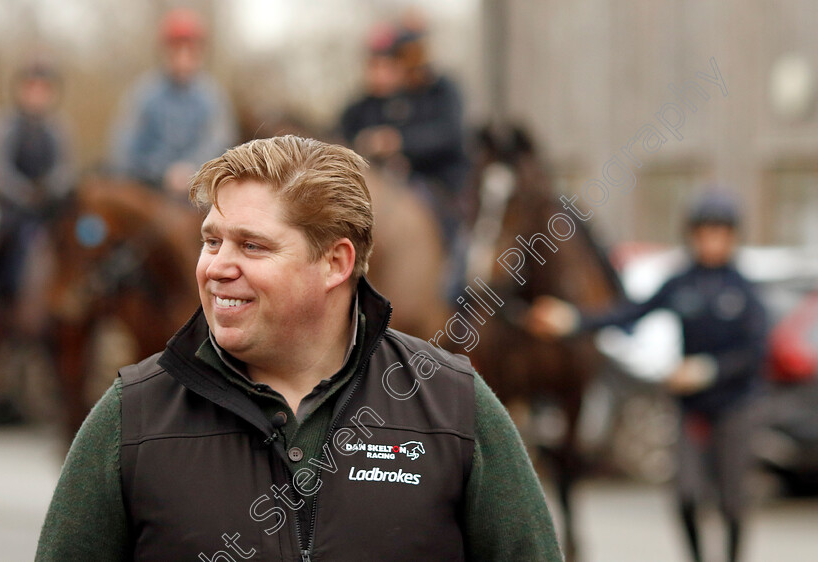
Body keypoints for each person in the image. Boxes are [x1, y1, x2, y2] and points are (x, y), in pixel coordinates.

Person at [36, 136, 562, 561]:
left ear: (335, 263)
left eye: (252, 245)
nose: (216, 266)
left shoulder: (455, 408)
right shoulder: (131, 417)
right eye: (211, 240)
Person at [528, 190, 766, 562]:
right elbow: (628, 314)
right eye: (704, 232)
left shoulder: (744, 289)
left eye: (719, 232)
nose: (711, 241)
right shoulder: (682, 283)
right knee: (686, 495)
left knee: (732, 500)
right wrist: (573, 319)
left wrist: (709, 370)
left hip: (735, 404)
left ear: (732, 237)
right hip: (691, 405)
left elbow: (754, 352)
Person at [109, 8, 236, 195]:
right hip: (149, 191)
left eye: (190, 49)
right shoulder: (144, 95)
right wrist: (162, 174)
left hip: (198, 192)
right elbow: (123, 148)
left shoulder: (212, 97)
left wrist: (191, 169)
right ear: (165, 51)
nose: (183, 57)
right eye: (177, 49)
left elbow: (219, 142)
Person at [0, 59, 74, 306]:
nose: (37, 94)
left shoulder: (57, 128)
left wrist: (48, 189)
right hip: (14, 208)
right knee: (1, 239)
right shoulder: (4, 125)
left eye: (43, 88)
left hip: (50, 208)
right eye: (31, 87)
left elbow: (64, 169)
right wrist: (24, 193)